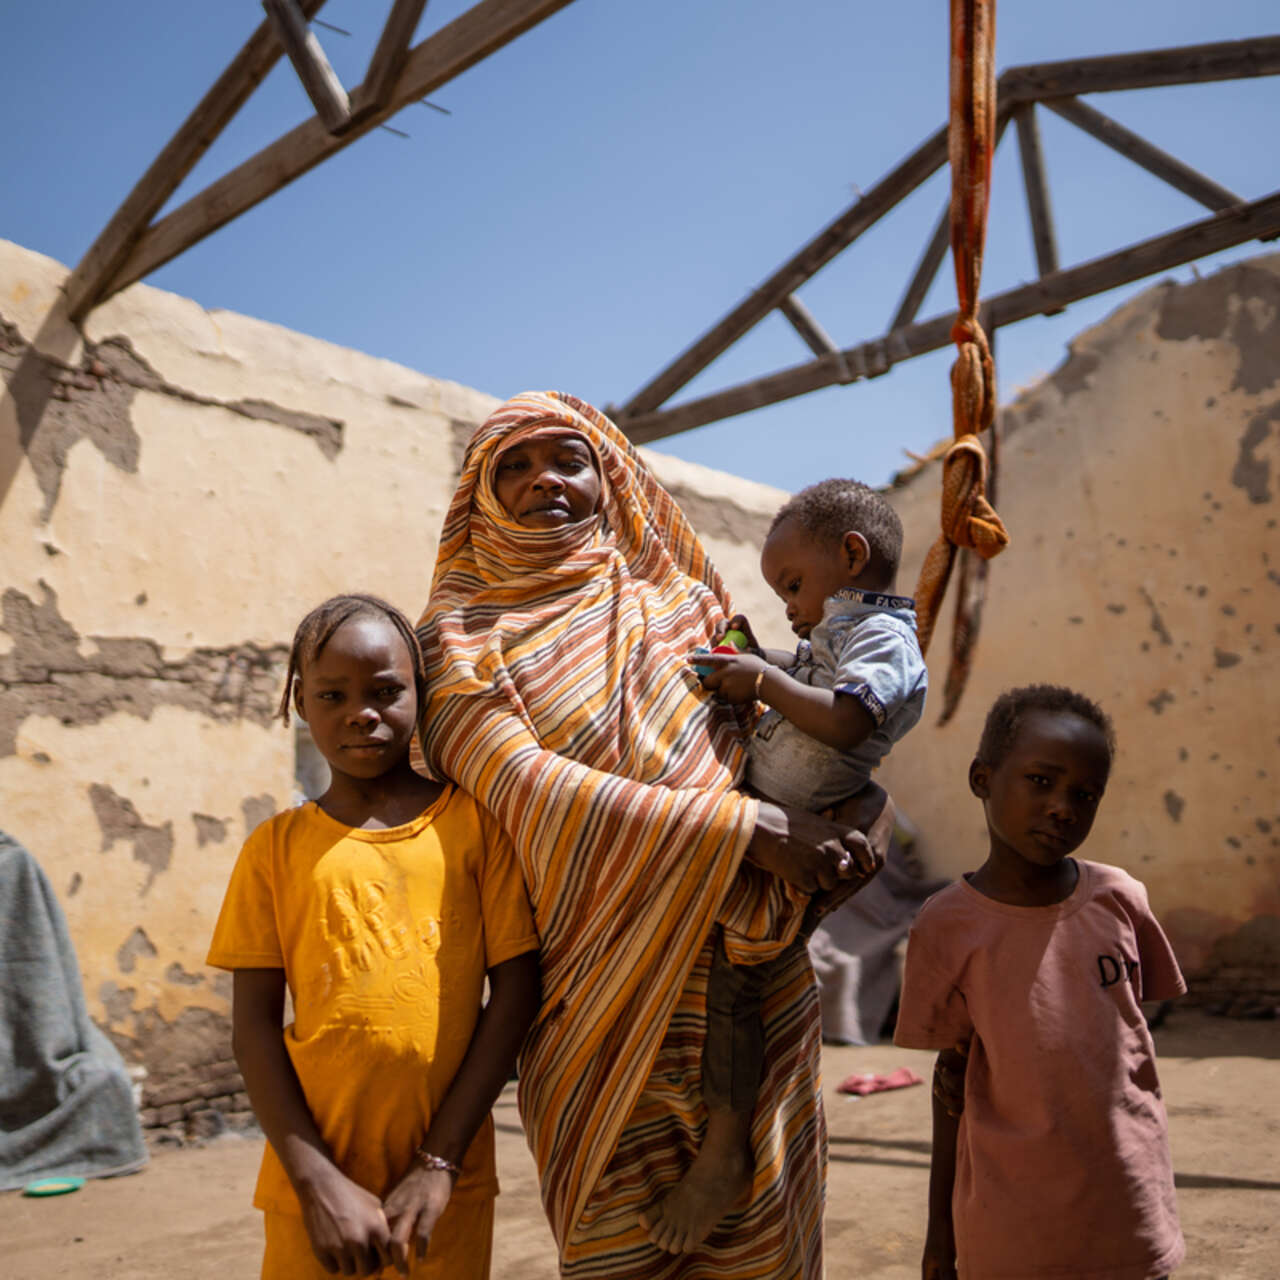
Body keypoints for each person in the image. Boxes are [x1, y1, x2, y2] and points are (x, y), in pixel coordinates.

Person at [417, 391, 892, 1277]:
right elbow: (527, 784)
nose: (542, 481)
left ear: (613, 477)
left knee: (762, 1253)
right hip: (588, 996)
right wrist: (742, 827)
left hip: (747, 969)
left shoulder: (686, 603)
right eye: (511, 467)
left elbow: (779, 733)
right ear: (478, 496)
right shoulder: (456, 642)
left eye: (569, 458)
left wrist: (862, 810)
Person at [207, 595, 540, 1279]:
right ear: (302, 703)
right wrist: (316, 1181)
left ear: (421, 694)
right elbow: (254, 1030)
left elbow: (514, 995)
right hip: (315, 1190)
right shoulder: (273, 851)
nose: (361, 712)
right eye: (333, 694)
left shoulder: (474, 828)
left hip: (443, 1191)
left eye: (385, 691)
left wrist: (438, 1165)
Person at [662, 477, 927, 1248]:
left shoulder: (885, 642)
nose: (788, 601)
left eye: (794, 584)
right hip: (761, 807)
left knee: (737, 988)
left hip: (797, 830)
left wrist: (767, 683)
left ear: (852, 555)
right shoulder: (837, 635)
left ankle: (725, 1147)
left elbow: (846, 720)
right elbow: (811, 679)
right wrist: (760, 655)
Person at [895, 684, 1185, 1280]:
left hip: (1127, 1211)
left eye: (1085, 794)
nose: (1063, 807)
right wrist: (938, 1241)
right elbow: (950, 1087)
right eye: (1041, 781)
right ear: (982, 779)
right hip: (1010, 1226)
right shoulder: (948, 925)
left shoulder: (1120, 901)